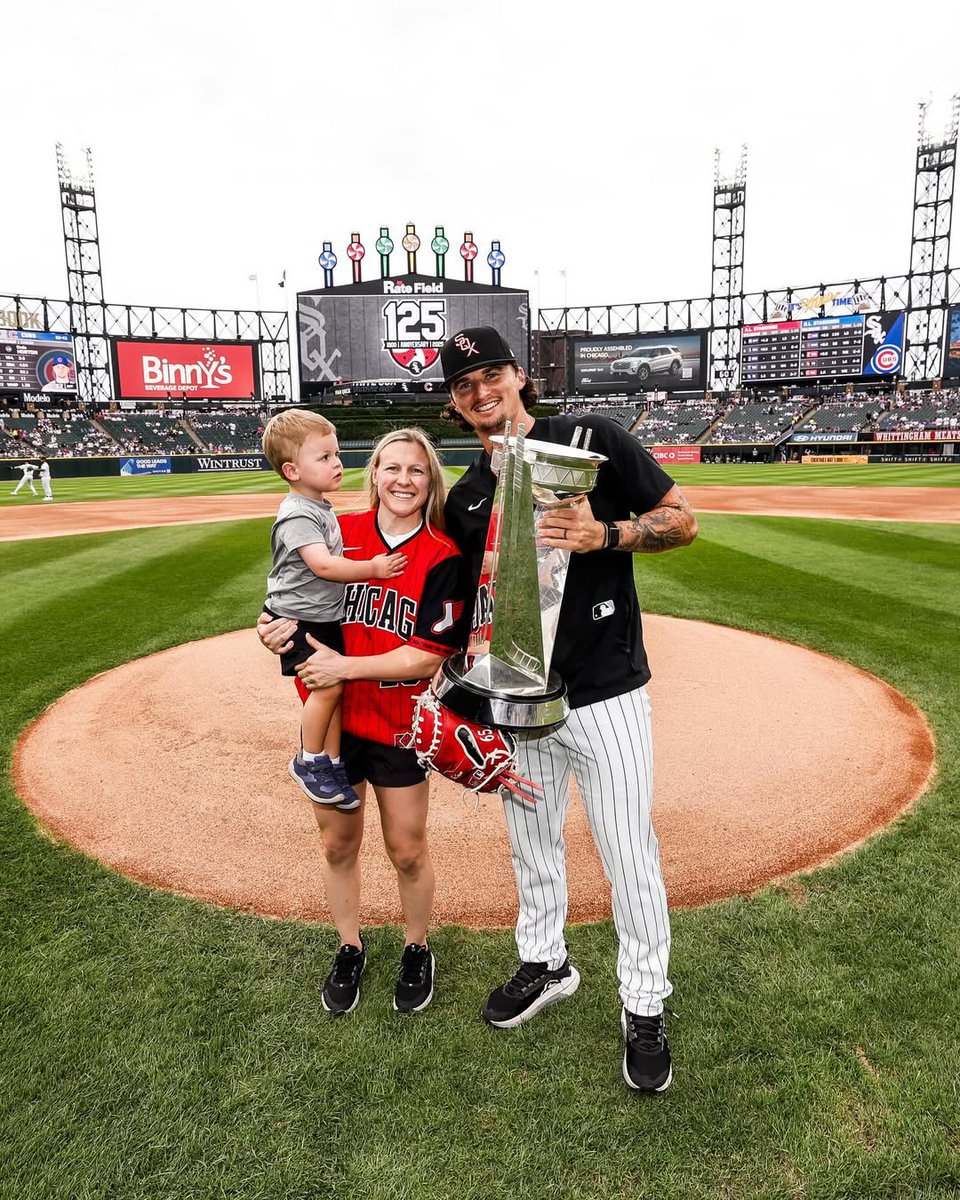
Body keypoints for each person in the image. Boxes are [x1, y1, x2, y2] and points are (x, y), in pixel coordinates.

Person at [438, 326, 698, 1093]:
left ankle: (644, 1005)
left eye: (490, 373)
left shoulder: (590, 438)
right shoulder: (466, 497)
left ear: (519, 375)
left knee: (627, 852)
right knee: (532, 844)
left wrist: (605, 534)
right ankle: (545, 963)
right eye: (464, 384)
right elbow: (465, 612)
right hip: (518, 699)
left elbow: (683, 519)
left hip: (607, 690)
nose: (481, 390)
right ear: (455, 405)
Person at [258, 427, 467, 1015]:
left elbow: (427, 656)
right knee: (337, 844)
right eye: (392, 468)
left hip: (399, 723)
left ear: (431, 483)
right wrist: (271, 625)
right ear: (372, 473)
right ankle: (349, 947)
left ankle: (416, 946)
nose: (404, 480)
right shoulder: (335, 531)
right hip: (335, 727)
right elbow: (289, 597)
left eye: (417, 471)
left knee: (406, 849)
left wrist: (344, 667)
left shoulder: (441, 556)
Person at [262, 410, 407, 812]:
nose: (337, 463)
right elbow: (324, 566)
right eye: (323, 457)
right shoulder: (298, 513)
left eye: (336, 454)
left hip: (315, 616)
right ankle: (309, 760)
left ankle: (334, 761)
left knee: (334, 691)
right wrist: (373, 569)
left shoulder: (319, 506)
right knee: (328, 687)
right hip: (299, 618)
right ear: (292, 470)